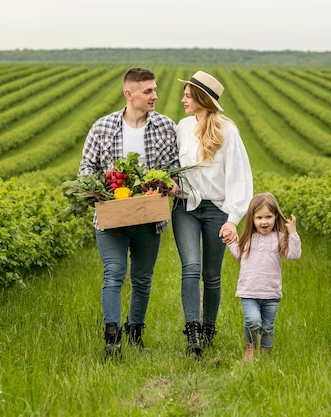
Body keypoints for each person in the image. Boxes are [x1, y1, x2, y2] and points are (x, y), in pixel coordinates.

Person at [78, 67, 179, 358]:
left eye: (155, 90)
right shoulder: (102, 127)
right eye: (148, 91)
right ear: (129, 94)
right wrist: (102, 191)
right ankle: (112, 338)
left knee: (143, 278)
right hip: (112, 217)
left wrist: (171, 185)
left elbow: (173, 170)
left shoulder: (165, 126)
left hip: (148, 216)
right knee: (114, 274)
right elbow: (86, 171)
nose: (155, 96)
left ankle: (135, 332)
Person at [173, 70, 253, 356]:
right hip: (185, 207)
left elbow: (240, 177)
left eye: (188, 94)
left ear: (201, 98)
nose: (183, 98)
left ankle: (209, 329)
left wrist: (233, 219)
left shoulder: (227, 131)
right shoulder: (181, 127)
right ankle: (192, 331)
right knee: (190, 268)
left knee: (212, 275)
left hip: (217, 209)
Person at [226, 193, 302, 362]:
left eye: (269, 216)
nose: (264, 221)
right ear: (252, 218)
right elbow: (239, 255)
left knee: (267, 327)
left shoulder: (280, 238)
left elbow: (294, 255)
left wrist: (293, 233)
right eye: (259, 217)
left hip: (271, 293)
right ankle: (250, 348)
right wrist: (230, 240)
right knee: (253, 321)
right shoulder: (248, 238)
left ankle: (265, 356)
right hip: (249, 291)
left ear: (276, 217)